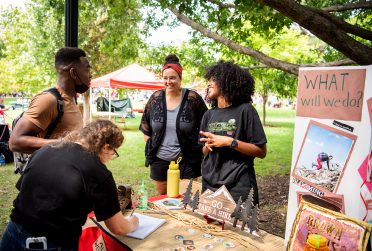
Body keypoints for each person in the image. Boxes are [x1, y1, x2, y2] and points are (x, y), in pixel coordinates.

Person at [0, 120, 139, 251]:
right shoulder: (98, 172)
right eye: (113, 152)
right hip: (53, 243)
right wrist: (133, 222)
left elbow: (26, 190)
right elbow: (119, 228)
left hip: (12, 232)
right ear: (106, 147)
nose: (111, 158)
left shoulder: (45, 150)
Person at [199, 60, 267, 205]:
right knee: (209, 228)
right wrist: (208, 146)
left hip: (238, 186)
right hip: (210, 184)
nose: (209, 83)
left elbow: (261, 151)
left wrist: (230, 142)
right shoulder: (208, 115)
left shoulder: (246, 110)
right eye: (208, 80)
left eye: (213, 79)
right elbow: (204, 152)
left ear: (227, 81)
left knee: (237, 228)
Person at [140, 54, 208, 195]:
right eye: (165, 78)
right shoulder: (155, 98)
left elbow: (207, 124)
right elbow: (146, 126)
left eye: (172, 78)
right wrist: (153, 145)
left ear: (180, 78)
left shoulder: (192, 99)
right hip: (160, 160)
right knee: (164, 199)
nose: (168, 82)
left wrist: (201, 148)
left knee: (187, 200)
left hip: (187, 160)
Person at [9, 47, 91, 154]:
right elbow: (15, 142)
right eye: (87, 69)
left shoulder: (71, 99)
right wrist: (65, 143)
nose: (90, 75)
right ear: (73, 73)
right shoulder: (48, 100)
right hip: (49, 170)